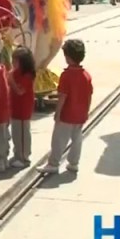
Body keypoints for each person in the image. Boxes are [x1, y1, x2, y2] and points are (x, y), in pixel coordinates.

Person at [38, 40, 93, 174]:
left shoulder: (66, 75)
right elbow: (89, 95)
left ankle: (53, 163)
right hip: (80, 114)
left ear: (67, 57)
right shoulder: (86, 75)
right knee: (77, 139)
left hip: (67, 114)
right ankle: (73, 163)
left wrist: (58, 113)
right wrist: (86, 111)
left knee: (58, 140)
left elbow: (62, 96)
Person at [8, 46, 36, 168]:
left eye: (15, 61)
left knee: (23, 134)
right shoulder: (14, 73)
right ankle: (17, 153)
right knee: (16, 133)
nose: (13, 63)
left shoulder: (27, 75)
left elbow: (20, 91)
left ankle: (24, 157)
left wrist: (11, 80)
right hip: (15, 108)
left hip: (24, 109)